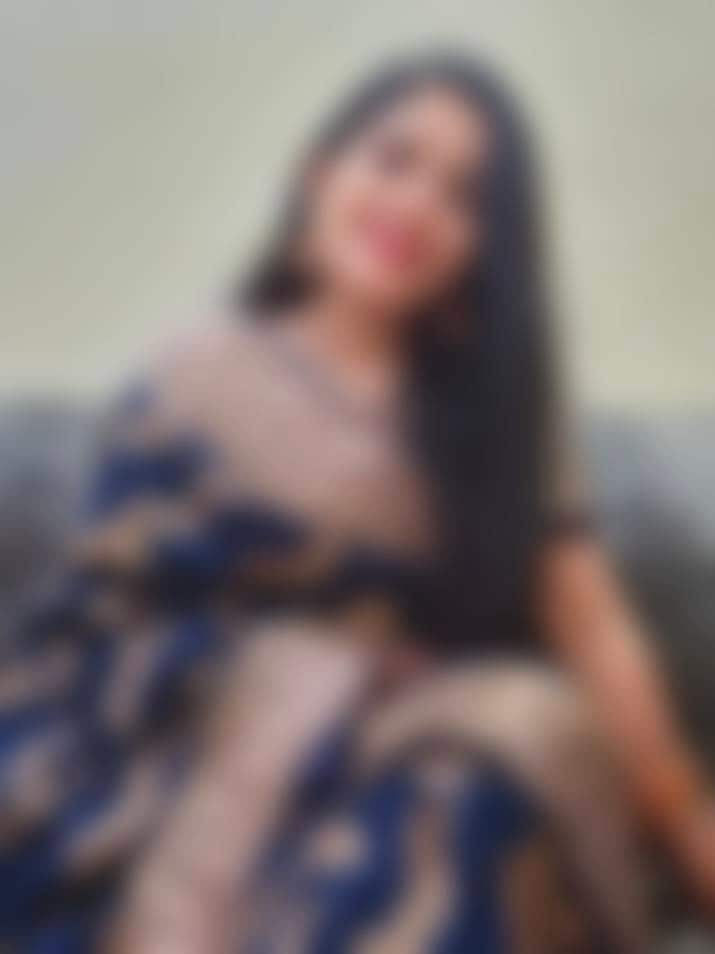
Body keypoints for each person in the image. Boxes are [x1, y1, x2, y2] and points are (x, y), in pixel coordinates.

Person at [2, 50, 714, 953]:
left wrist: (686, 825)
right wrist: (318, 680)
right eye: (393, 159)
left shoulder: (501, 415)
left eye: (463, 196)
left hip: (393, 774)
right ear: (318, 173)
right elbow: (104, 617)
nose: (415, 204)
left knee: (501, 748)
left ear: (485, 248)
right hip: (180, 779)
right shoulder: (197, 373)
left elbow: (589, 627)